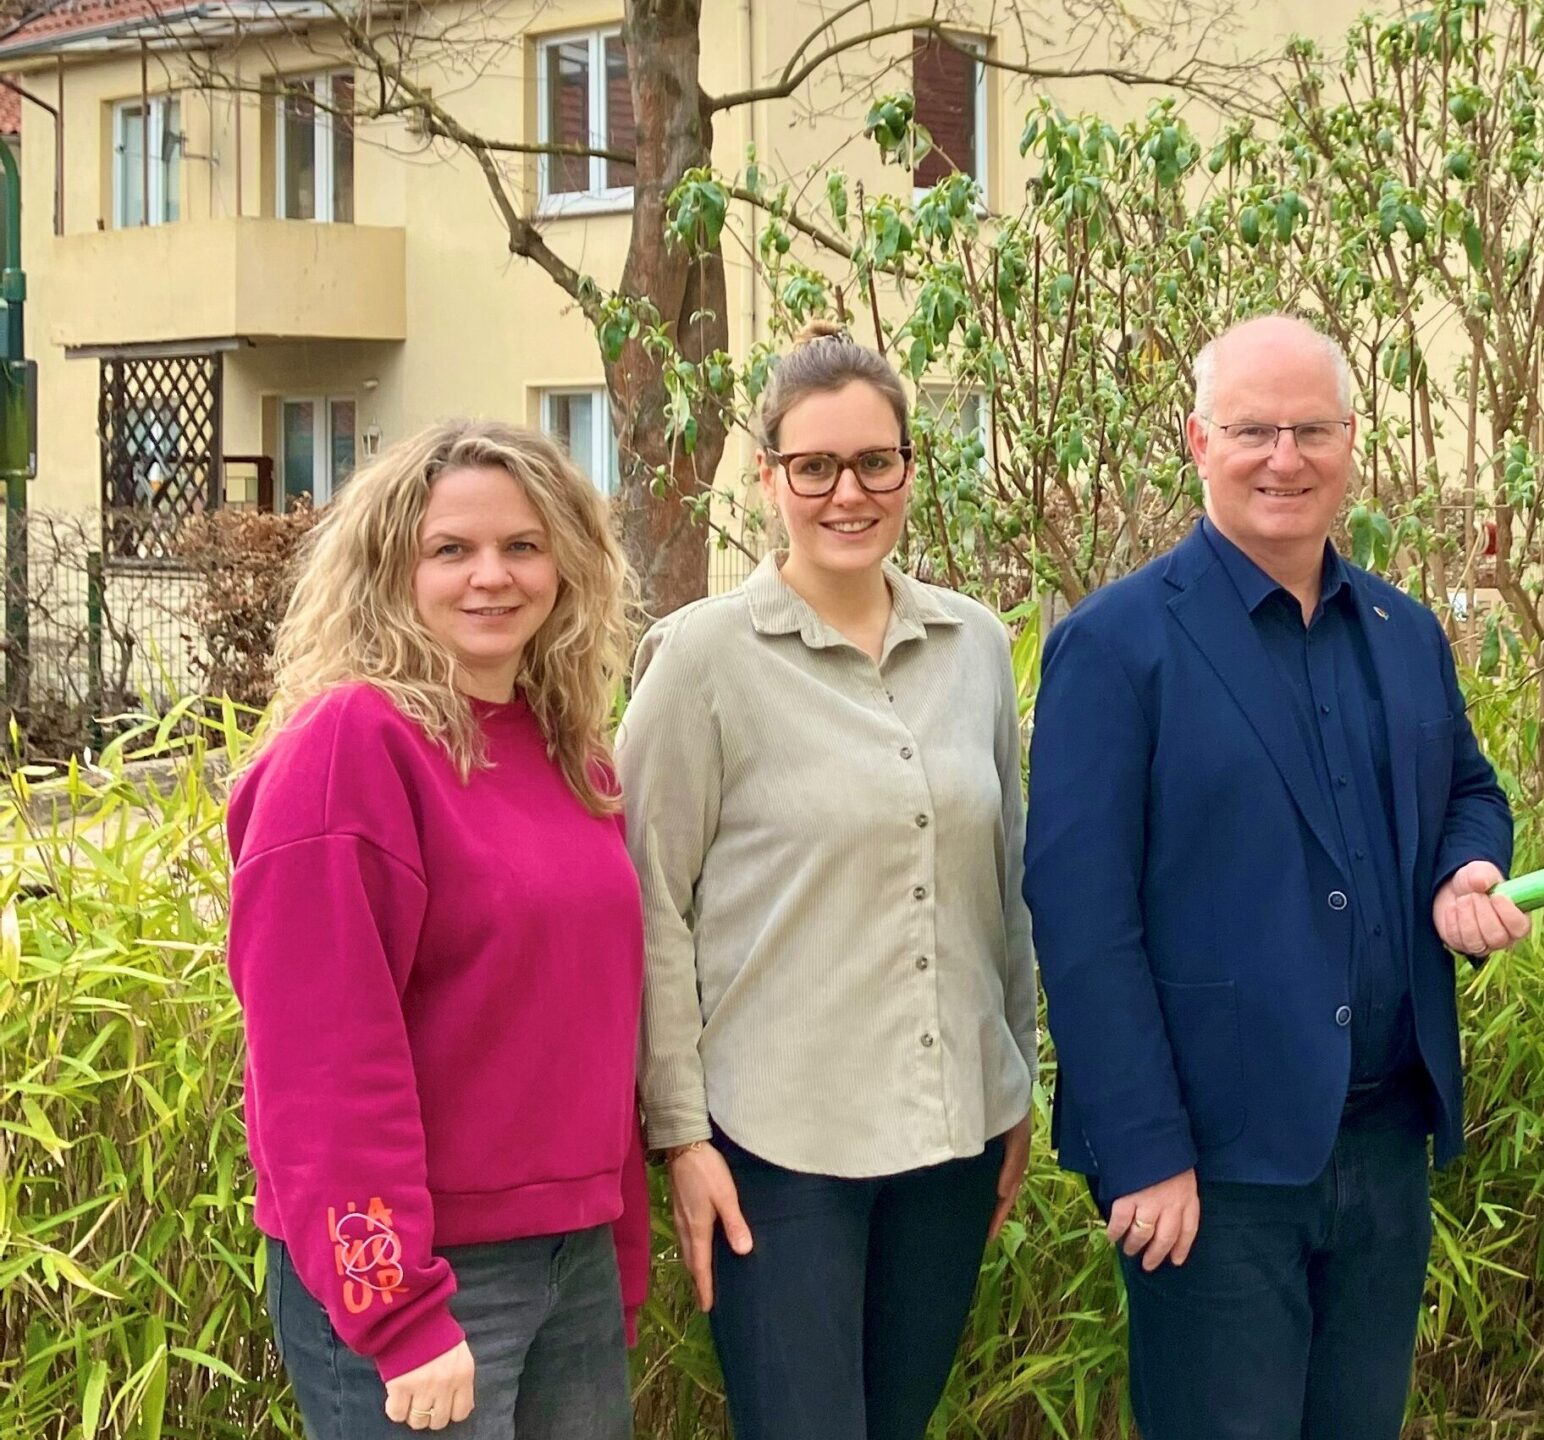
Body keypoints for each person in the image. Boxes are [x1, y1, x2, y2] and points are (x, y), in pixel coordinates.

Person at [1023, 313, 1526, 1440]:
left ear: (1351, 442)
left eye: (1311, 430)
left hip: (1385, 1145)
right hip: (1211, 1168)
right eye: (1254, 430)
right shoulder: (1115, 646)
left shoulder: (1403, 630)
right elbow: (1081, 924)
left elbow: (1469, 791)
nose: (1284, 459)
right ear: (1199, 441)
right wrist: (1143, 1151)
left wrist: (1467, 866)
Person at [617, 321, 1037, 1440]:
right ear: (769, 478)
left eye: (874, 463)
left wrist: (1013, 1086)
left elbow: (1002, 887)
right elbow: (649, 906)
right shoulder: (702, 661)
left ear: (909, 467)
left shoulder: (975, 647)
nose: (848, 493)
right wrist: (681, 1138)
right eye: (814, 467)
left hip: (952, 1140)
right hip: (777, 1151)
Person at [226, 420, 648, 1437]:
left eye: (522, 545)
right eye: (450, 549)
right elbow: (322, 1061)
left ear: (566, 564)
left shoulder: (569, 753)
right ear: (391, 571)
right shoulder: (350, 748)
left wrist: (617, 1241)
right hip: (428, 1285)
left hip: (571, 1263)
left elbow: (590, 1020)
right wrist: (398, 1309)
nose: (491, 576)